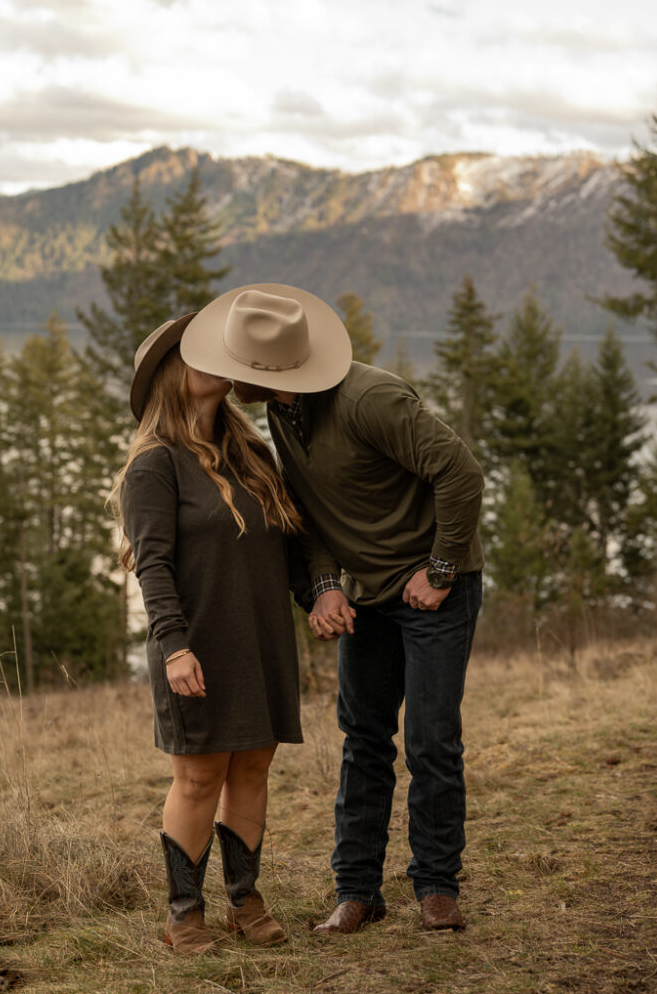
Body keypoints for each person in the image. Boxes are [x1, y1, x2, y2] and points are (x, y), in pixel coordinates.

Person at [180, 284, 485, 936]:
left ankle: (435, 887)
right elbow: (308, 511)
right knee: (363, 741)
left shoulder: (371, 399)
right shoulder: (280, 415)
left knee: (431, 741)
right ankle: (357, 891)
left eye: (238, 366)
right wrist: (324, 584)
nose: (228, 375)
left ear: (272, 372)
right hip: (367, 595)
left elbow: (460, 473)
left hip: (435, 588)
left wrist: (439, 570)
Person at [110, 313, 310, 955]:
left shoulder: (249, 453)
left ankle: (245, 902)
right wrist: (174, 646)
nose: (217, 358)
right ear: (172, 371)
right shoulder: (154, 466)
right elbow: (154, 566)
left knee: (252, 767)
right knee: (198, 778)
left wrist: (325, 596)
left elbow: (290, 546)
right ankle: (183, 916)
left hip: (261, 638)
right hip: (194, 643)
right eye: (198, 351)